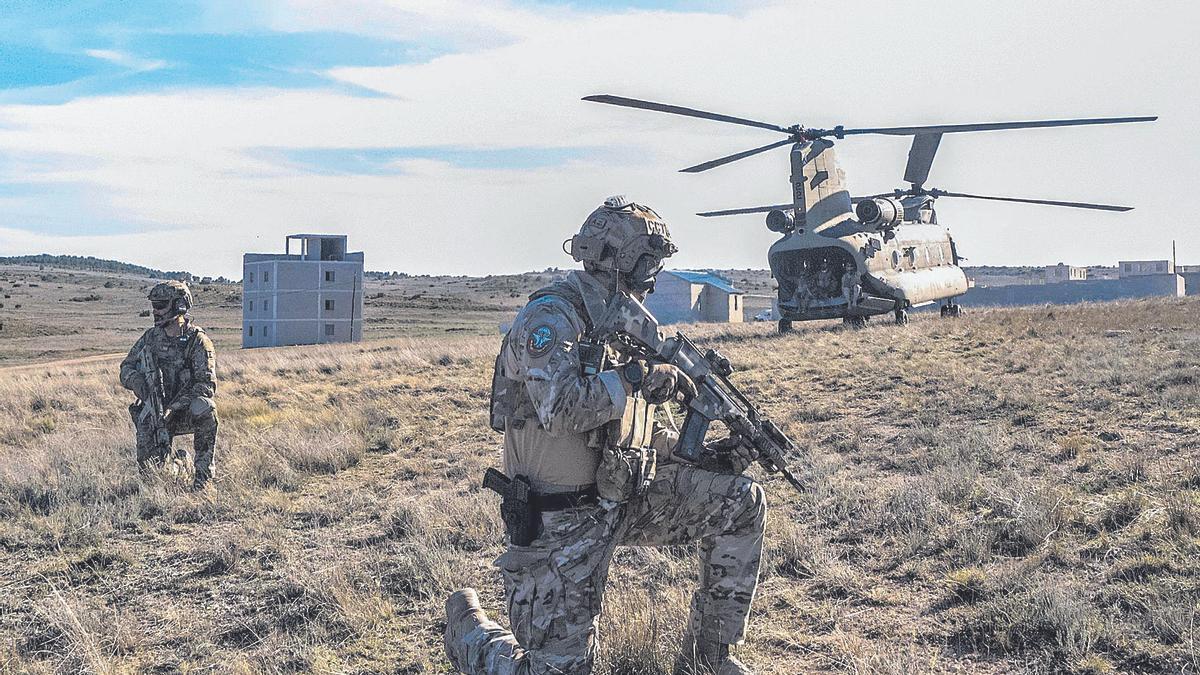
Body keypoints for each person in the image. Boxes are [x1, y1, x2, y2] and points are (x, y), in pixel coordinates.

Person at [444, 196, 765, 675]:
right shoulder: (551, 319)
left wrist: (705, 456)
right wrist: (636, 377)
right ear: (620, 260)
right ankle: (473, 637)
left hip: (627, 495)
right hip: (561, 520)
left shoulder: (625, 325)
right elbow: (562, 408)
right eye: (648, 261)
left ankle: (709, 658)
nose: (654, 275)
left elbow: (647, 430)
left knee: (741, 501)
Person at [119, 280, 218, 490]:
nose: (156, 311)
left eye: (161, 304)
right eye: (154, 305)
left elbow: (206, 385)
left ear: (179, 306)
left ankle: (203, 480)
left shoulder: (197, 341)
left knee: (206, 408)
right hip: (156, 413)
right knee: (152, 479)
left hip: (185, 413)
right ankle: (182, 465)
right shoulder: (150, 338)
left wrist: (174, 407)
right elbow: (126, 368)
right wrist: (137, 382)